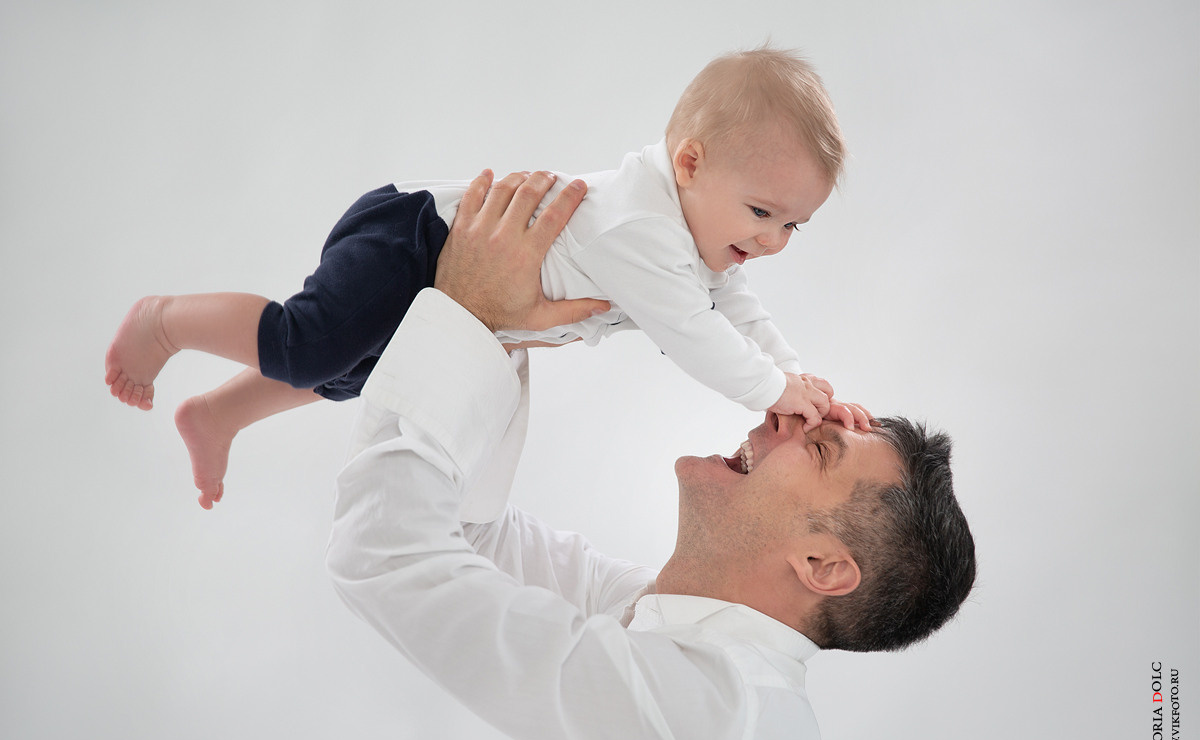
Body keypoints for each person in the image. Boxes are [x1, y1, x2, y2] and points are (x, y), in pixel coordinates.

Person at [325, 170, 976, 740]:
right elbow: (467, 530)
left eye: (818, 448)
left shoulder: (718, 729)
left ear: (822, 565)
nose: (780, 418)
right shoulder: (645, 617)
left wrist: (469, 312)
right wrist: (505, 323)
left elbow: (384, 557)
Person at [103, 46, 872, 509]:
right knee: (308, 345)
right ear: (691, 164)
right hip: (416, 242)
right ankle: (165, 321)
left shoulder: (704, 244)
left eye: (792, 226)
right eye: (763, 212)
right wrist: (773, 393)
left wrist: (800, 377)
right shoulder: (645, 228)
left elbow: (737, 310)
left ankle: (218, 416)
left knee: (352, 375)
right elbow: (697, 334)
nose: (772, 241)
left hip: (455, 295)